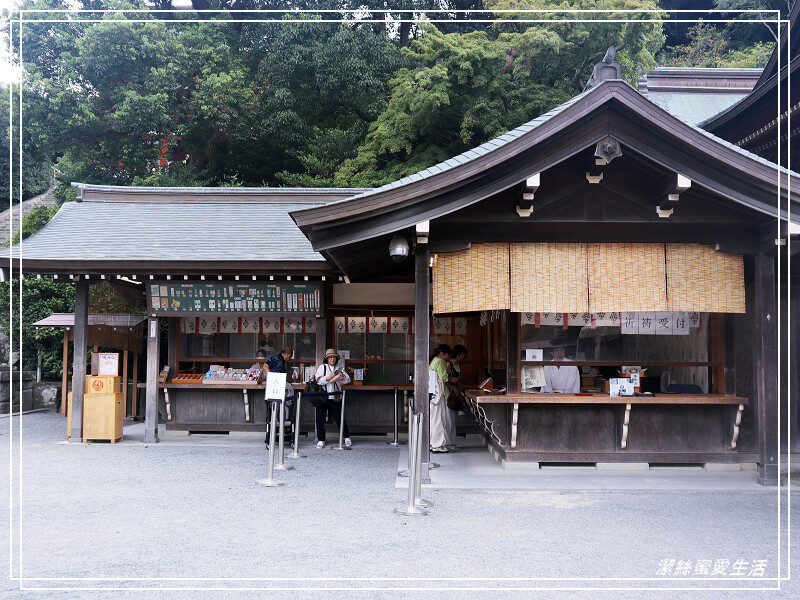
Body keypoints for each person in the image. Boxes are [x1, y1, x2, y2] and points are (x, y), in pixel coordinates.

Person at [314, 348, 352, 449]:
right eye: (330, 357)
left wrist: (341, 376)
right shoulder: (323, 367)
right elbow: (317, 380)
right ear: (327, 359)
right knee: (320, 419)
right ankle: (321, 439)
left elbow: (348, 380)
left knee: (339, 418)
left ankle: (346, 437)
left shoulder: (339, 367)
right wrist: (328, 378)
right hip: (323, 396)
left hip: (335, 396)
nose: (332, 359)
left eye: (334, 357)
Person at [263, 347, 294, 443]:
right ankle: (273, 432)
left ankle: (282, 431)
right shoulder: (276, 358)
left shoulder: (282, 361)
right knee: (274, 408)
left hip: (280, 387)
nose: (290, 359)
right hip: (274, 387)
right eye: (290, 356)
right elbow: (265, 366)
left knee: (282, 408)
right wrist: (272, 377)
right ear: (287, 354)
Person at [429, 344, 453, 453]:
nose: (449, 357)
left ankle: (431, 443)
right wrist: (451, 378)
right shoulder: (441, 362)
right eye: (448, 355)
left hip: (432, 393)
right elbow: (443, 377)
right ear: (443, 354)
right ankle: (437, 445)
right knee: (439, 419)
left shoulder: (433, 360)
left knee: (433, 419)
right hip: (439, 393)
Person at [444, 344, 467, 449]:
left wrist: (460, 391)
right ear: (457, 354)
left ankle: (452, 441)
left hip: (455, 393)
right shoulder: (449, 364)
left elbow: (459, 380)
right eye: (462, 354)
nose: (463, 357)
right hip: (448, 393)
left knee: (452, 419)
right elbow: (443, 379)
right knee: (448, 418)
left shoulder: (458, 365)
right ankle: (448, 442)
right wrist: (454, 388)